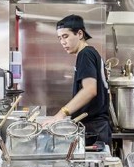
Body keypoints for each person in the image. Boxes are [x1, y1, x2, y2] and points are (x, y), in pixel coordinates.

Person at [48, 14, 112, 146]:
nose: (62, 42)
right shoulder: (90, 52)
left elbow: (89, 90)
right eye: (60, 38)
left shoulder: (85, 54)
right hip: (96, 127)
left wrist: (61, 114)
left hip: (94, 129)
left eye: (65, 36)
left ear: (80, 34)